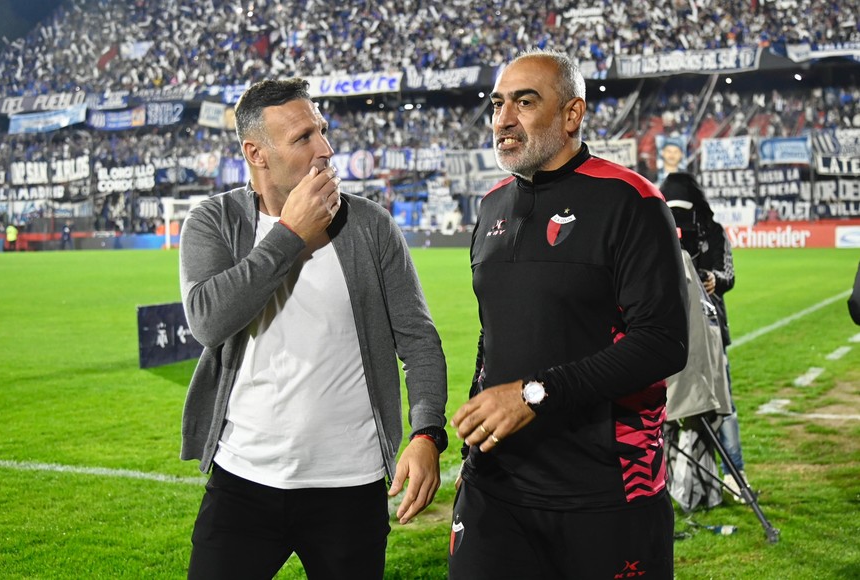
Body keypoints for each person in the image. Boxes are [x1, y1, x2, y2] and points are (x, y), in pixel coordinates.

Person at [178, 78, 448, 580]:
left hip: (351, 485)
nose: (325, 147)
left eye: (321, 130)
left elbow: (418, 340)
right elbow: (209, 321)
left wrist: (427, 432)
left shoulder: (370, 225)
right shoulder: (214, 222)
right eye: (303, 137)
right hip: (244, 479)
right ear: (256, 153)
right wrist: (291, 234)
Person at [448, 50, 688, 579]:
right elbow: (494, 338)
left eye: (524, 102)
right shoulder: (490, 207)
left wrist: (534, 393)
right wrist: (473, 445)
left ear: (572, 114)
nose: (503, 120)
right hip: (495, 490)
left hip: (605, 492)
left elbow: (663, 342)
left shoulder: (631, 201)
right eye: (497, 104)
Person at [660, 171, 750, 503]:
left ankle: (735, 476)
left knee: (722, 404)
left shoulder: (713, 231)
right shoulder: (658, 228)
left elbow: (728, 275)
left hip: (711, 331)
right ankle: (664, 479)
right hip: (668, 330)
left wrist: (714, 279)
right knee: (664, 405)